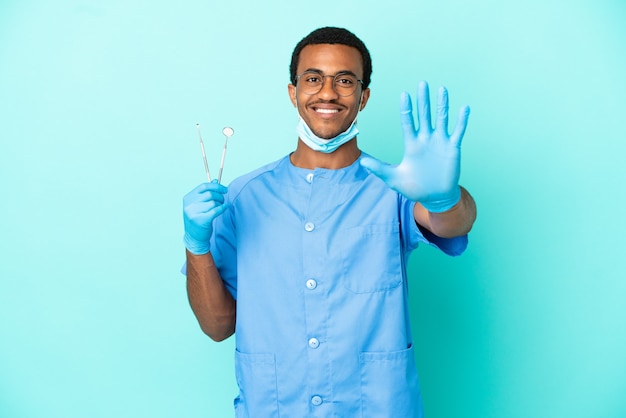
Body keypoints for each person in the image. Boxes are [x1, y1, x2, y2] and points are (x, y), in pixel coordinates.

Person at [182, 26, 476, 418]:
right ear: (293, 92)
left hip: (376, 407)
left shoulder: (393, 189)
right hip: (275, 407)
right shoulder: (244, 196)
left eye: (344, 80)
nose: (327, 92)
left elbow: (452, 224)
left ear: (363, 96)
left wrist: (444, 197)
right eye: (313, 79)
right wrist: (196, 244)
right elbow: (217, 326)